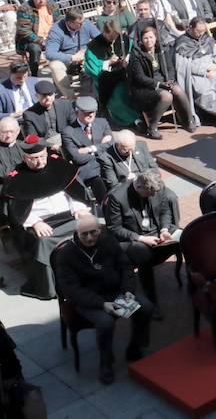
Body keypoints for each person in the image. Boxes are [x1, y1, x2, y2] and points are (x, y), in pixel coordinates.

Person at [53, 213, 152, 384]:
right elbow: (71, 290)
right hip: (89, 301)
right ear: (77, 233)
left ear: (99, 230)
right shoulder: (67, 254)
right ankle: (106, 363)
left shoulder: (108, 242)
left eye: (93, 232)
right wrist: (102, 304)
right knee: (106, 323)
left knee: (145, 308)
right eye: (85, 234)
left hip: (115, 294)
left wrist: (127, 291)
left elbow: (125, 267)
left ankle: (134, 348)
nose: (90, 237)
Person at [5, 137, 91, 299]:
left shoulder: (59, 165)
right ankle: (48, 286)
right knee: (43, 241)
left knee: (91, 225)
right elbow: (17, 208)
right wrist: (35, 222)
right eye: (34, 158)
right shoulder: (17, 178)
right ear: (25, 158)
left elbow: (73, 191)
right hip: (42, 221)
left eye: (42, 156)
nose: (39, 162)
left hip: (69, 214)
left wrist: (79, 208)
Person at [101, 168, 181, 307]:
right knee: (143, 253)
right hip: (132, 238)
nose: (152, 196)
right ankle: (152, 301)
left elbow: (165, 211)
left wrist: (164, 228)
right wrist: (140, 238)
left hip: (157, 231)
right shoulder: (117, 197)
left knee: (185, 235)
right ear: (138, 186)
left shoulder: (157, 188)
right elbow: (115, 228)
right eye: (148, 193)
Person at [60, 96, 114, 203]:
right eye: (86, 112)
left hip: (107, 164)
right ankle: (105, 206)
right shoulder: (68, 131)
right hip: (88, 169)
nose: (90, 115)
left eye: (93, 112)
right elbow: (77, 158)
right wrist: (102, 147)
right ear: (77, 112)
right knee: (98, 180)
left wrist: (91, 148)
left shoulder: (102, 123)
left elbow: (112, 144)